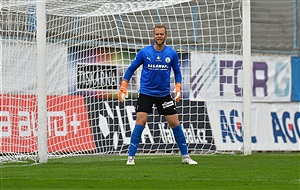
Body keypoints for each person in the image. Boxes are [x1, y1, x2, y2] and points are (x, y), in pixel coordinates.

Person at [118, 24, 197, 165]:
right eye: (157, 34)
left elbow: (178, 72)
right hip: (146, 93)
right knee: (140, 122)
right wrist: (124, 84)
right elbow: (131, 69)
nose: (159, 36)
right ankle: (131, 158)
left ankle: (185, 157)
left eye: (161, 34)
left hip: (164, 94)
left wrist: (178, 85)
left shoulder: (171, 53)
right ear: (153, 36)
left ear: (165, 36)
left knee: (175, 123)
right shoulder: (144, 52)